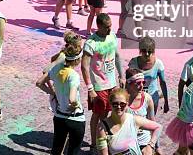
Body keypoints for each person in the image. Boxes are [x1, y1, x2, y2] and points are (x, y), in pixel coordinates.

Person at [82, 13, 125, 153]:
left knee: (111, 113)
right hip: (99, 86)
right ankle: (95, 144)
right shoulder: (91, 43)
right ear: (99, 26)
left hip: (112, 84)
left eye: (110, 26)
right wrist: (90, 89)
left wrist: (122, 76)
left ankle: (106, 140)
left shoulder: (112, 36)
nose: (109, 29)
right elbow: (84, 66)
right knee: (99, 115)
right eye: (107, 27)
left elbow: (117, 56)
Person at [36, 42, 86, 155]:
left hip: (59, 117)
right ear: (77, 60)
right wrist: (75, 105)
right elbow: (72, 99)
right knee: (73, 150)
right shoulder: (74, 75)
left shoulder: (56, 69)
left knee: (57, 149)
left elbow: (39, 83)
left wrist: (53, 92)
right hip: (76, 119)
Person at [96, 88, 161, 155]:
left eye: (122, 104)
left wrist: (150, 146)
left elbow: (158, 127)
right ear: (110, 104)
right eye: (115, 104)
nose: (119, 107)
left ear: (127, 104)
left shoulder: (133, 120)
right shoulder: (102, 127)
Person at [128, 37, 170, 115]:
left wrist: (166, 102)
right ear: (140, 50)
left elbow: (163, 83)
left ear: (153, 51)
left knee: (150, 122)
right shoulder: (133, 63)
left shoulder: (158, 64)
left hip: (152, 98)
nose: (147, 54)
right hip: (136, 98)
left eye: (149, 51)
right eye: (144, 51)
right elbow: (129, 81)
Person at [124, 68, 158, 153]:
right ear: (129, 84)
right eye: (138, 83)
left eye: (143, 82)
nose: (142, 86)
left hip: (144, 141)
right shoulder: (122, 100)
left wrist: (154, 146)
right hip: (127, 142)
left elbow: (153, 123)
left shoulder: (147, 98)